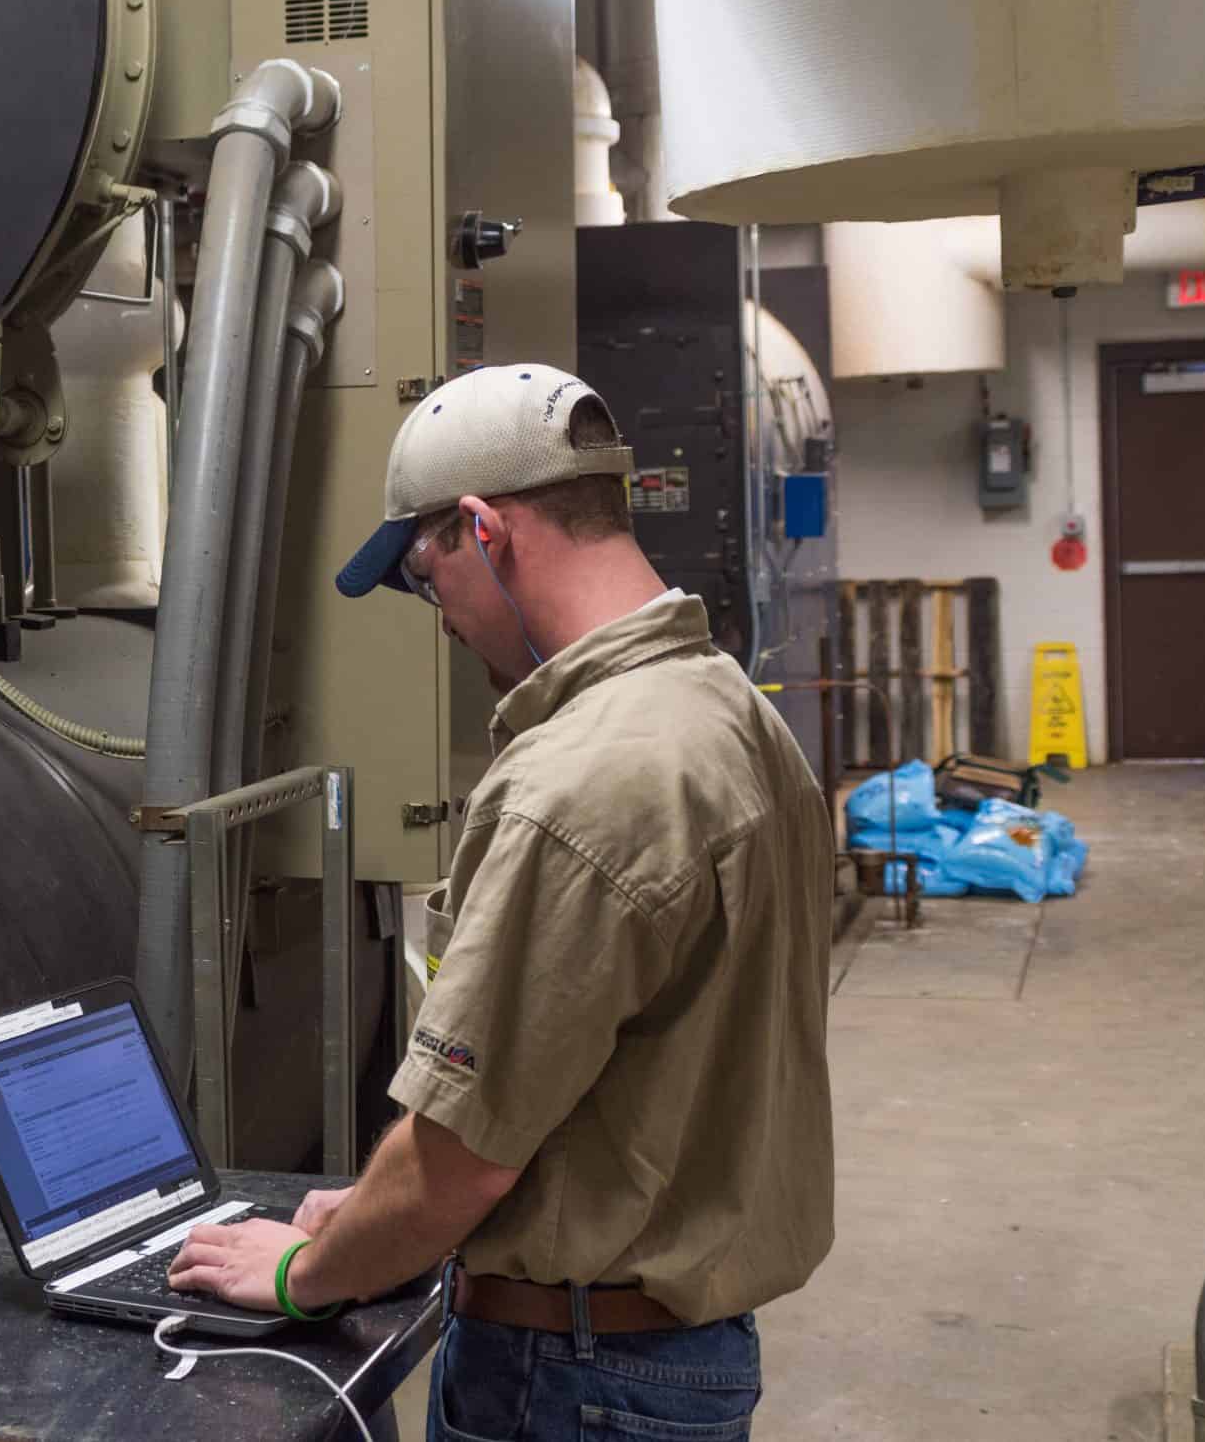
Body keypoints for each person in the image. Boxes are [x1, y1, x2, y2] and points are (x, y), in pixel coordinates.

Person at [166, 362, 835, 1440]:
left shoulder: (580, 786)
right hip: (679, 1350)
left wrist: (308, 1273)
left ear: (483, 529)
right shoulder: (727, 710)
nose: (438, 622)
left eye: (428, 580)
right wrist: (373, 1219)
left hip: (571, 1378)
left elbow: (460, 1161)